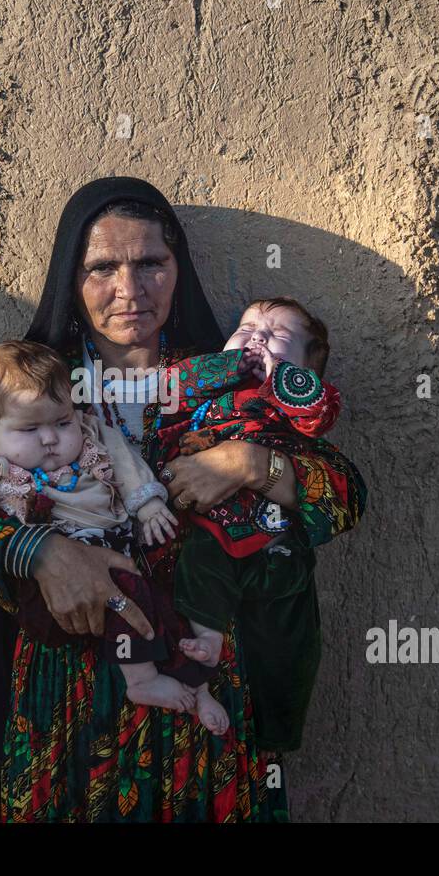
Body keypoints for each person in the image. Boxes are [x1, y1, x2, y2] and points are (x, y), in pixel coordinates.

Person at [0, 176, 366, 821]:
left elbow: (341, 495)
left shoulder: (227, 384)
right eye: (102, 268)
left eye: (151, 262)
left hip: (203, 685)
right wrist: (40, 552)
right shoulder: (37, 389)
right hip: (68, 691)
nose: (131, 289)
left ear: (178, 271)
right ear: (71, 276)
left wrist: (250, 462)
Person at [0, 339, 229, 734]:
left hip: (119, 555)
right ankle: (141, 682)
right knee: (133, 611)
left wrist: (147, 504)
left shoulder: (91, 434)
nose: (50, 439)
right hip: (55, 610)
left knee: (161, 613)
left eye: (62, 422)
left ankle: (198, 684)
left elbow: (125, 462)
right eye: (30, 429)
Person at [152, 296, 344, 753]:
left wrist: (279, 374)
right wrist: (231, 366)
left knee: (287, 631)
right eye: (246, 327)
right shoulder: (210, 393)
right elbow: (172, 387)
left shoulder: (291, 402)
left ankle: (278, 728)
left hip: (273, 538)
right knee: (203, 573)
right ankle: (207, 649)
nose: (257, 337)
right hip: (214, 530)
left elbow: (320, 410)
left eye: (278, 335)